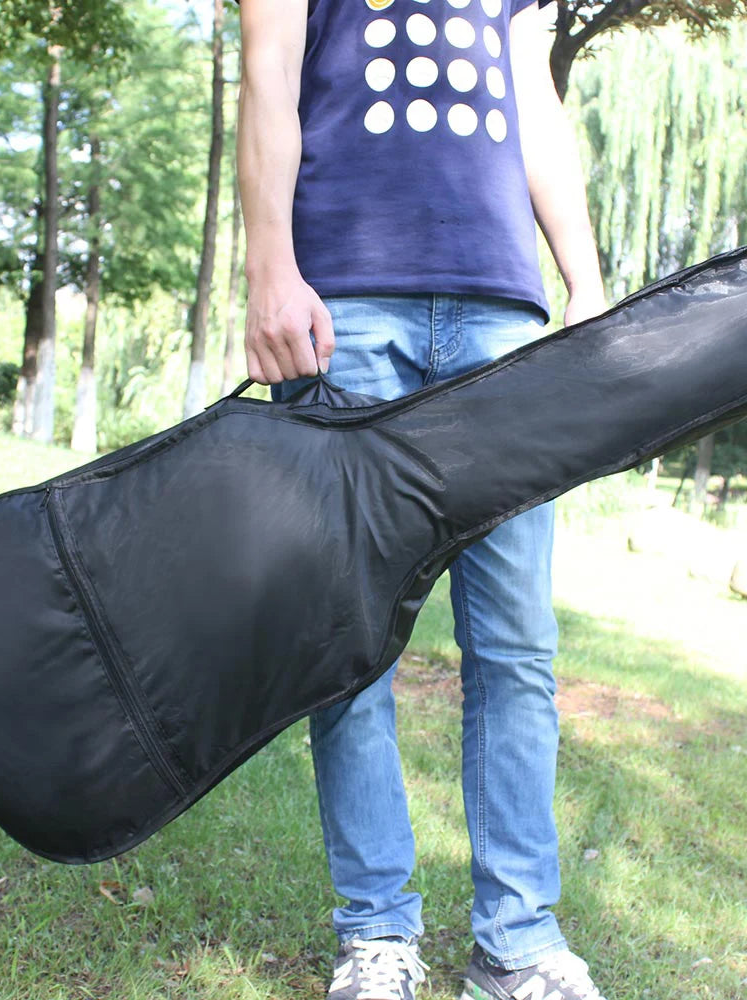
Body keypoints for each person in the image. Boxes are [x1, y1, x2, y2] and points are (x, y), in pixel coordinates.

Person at [234, 1, 610, 997]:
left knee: (517, 647)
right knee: (349, 643)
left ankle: (517, 942)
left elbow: (533, 103)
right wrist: (269, 265)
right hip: (344, 305)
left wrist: (586, 279)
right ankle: (376, 937)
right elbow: (267, 70)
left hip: (504, 318)